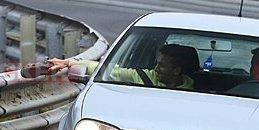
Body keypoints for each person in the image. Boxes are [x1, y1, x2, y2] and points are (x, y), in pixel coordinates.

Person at [48, 43, 195, 89]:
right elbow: (110, 70)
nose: (155, 69)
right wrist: (69, 63)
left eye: (162, 66)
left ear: (176, 70)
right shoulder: (143, 76)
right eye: (156, 63)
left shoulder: (196, 92)